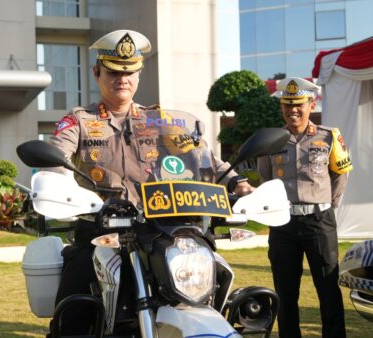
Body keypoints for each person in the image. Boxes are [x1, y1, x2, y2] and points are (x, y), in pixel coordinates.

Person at [49, 29, 254, 335]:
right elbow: (56, 158)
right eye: (114, 72)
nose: (123, 79)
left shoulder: (159, 122)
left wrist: (239, 184)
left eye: (130, 72)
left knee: (209, 283)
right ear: (97, 73)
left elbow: (204, 159)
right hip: (100, 233)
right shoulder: (79, 121)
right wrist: (57, 184)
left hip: (154, 230)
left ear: (139, 75)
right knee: (73, 308)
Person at [257, 77, 353, 338]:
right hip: (283, 223)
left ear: (312, 104)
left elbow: (340, 176)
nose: (293, 110)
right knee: (285, 292)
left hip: (319, 221)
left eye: (299, 104)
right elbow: (265, 178)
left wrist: (326, 206)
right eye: (287, 105)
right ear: (282, 108)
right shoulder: (271, 141)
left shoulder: (329, 136)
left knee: (328, 289)